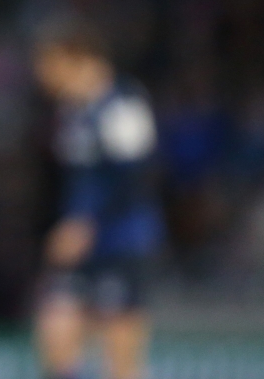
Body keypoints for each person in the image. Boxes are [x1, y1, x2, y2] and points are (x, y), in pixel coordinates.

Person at [32, 21, 163, 379]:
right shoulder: (71, 111)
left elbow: (136, 175)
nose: (42, 74)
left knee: (120, 358)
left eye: (48, 62)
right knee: (55, 328)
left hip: (123, 240)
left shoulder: (122, 103)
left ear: (76, 58)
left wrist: (85, 222)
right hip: (79, 244)